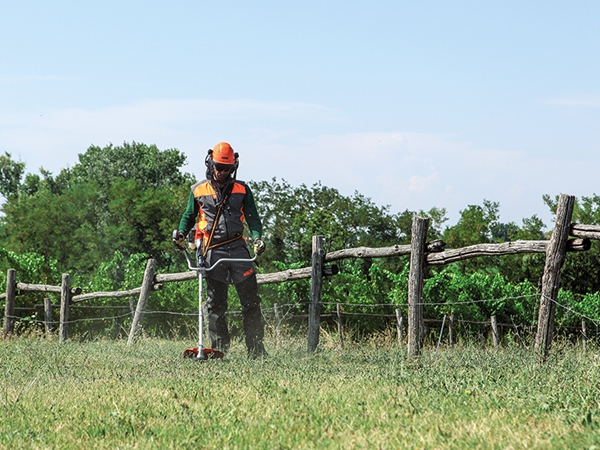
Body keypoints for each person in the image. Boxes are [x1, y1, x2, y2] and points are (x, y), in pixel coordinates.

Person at [173, 142, 267, 358]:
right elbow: (188, 217)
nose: (223, 172)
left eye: (227, 168)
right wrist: (180, 234)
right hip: (212, 251)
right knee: (216, 304)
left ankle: (256, 349)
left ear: (233, 167)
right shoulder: (198, 190)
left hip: (238, 249)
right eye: (219, 167)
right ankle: (219, 349)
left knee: (251, 300)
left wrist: (257, 238)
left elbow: (253, 218)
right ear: (210, 164)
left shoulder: (242, 189)